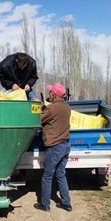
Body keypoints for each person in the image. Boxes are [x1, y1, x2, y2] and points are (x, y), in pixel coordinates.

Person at [34, 82, 72, 212]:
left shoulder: (52, 108)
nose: (49, 93)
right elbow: (53, 118)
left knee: (47, 176)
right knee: (61, 174)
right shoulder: (67, 107)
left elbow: (38, 119)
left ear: (54, 95)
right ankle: (66, 203)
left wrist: (38, 107)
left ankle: (45, 205)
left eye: (50, 92)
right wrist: (45, 107)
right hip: (66, 145)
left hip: (55, 147)